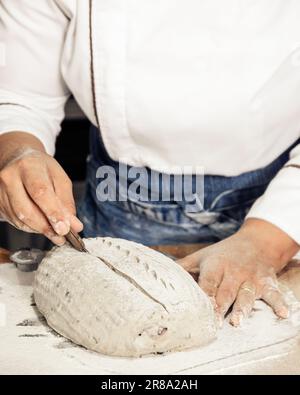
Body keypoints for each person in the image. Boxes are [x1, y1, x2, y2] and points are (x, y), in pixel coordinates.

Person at [0, 0, 299, 327]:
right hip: (117, 199)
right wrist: (17, 150)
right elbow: (22, 98)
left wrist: (271, 239)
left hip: (278, 198)